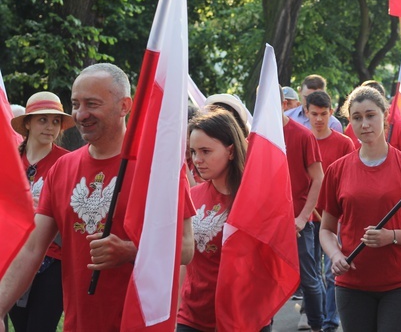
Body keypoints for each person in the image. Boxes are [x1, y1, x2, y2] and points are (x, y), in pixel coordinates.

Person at [0, 63, 195, 332]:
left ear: (124, 106)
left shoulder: (159, 168)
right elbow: (32, 250)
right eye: (76, 104)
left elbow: (186, 248)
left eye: (92, 104)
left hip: (140, 325)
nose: (81, 114)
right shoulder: (62, 169)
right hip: (79, 324)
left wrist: (131, 251)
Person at [319, 86, 401, 332]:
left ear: (384, 116)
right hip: (352, 283)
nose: (364, 123)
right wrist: (335, 255)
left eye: (370, 115)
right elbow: (326, 229)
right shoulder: (337, 170)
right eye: (357, 118)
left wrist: (392, 237)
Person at [6, 92, 74, 332]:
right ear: (27, 123)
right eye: (42, 119)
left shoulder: (68, 162)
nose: (50, 127)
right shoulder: (9, 161)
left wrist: (48, 207)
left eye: (56, 121)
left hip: (54, 259)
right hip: (12, 259)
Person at [177, 108, 248, 332]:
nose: (198, 160)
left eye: (206, 151)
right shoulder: (193, 195)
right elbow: (185, 260)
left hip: (240, 317)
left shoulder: (251, 200)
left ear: (230, 151)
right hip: (192, 316)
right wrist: (177, 306)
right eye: (193, 151)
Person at [305, 91, 355, 332]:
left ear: (331, 113)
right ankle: (315, 314)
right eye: (314, 114)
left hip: (334, 216)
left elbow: (351, 179)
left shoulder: (344, 143)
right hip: (308, 215)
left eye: (323, 114)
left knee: (332, 268)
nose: (318, 119)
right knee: (312, 271)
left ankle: (329, 321)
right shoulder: (303, 140)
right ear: (306, 113)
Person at [283, 89, 326, 332]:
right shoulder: (254, 136)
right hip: (268, 223)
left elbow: (318, 178)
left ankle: (317, 325)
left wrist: (301, 217)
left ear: (282, 103)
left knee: (310, 279)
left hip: (299, 224)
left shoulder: (301, 135)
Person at [345, 80, 401, 155]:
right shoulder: (338, 166)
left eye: (370, 116)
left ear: (385, 114)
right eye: (357, 118)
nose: (364, 125)